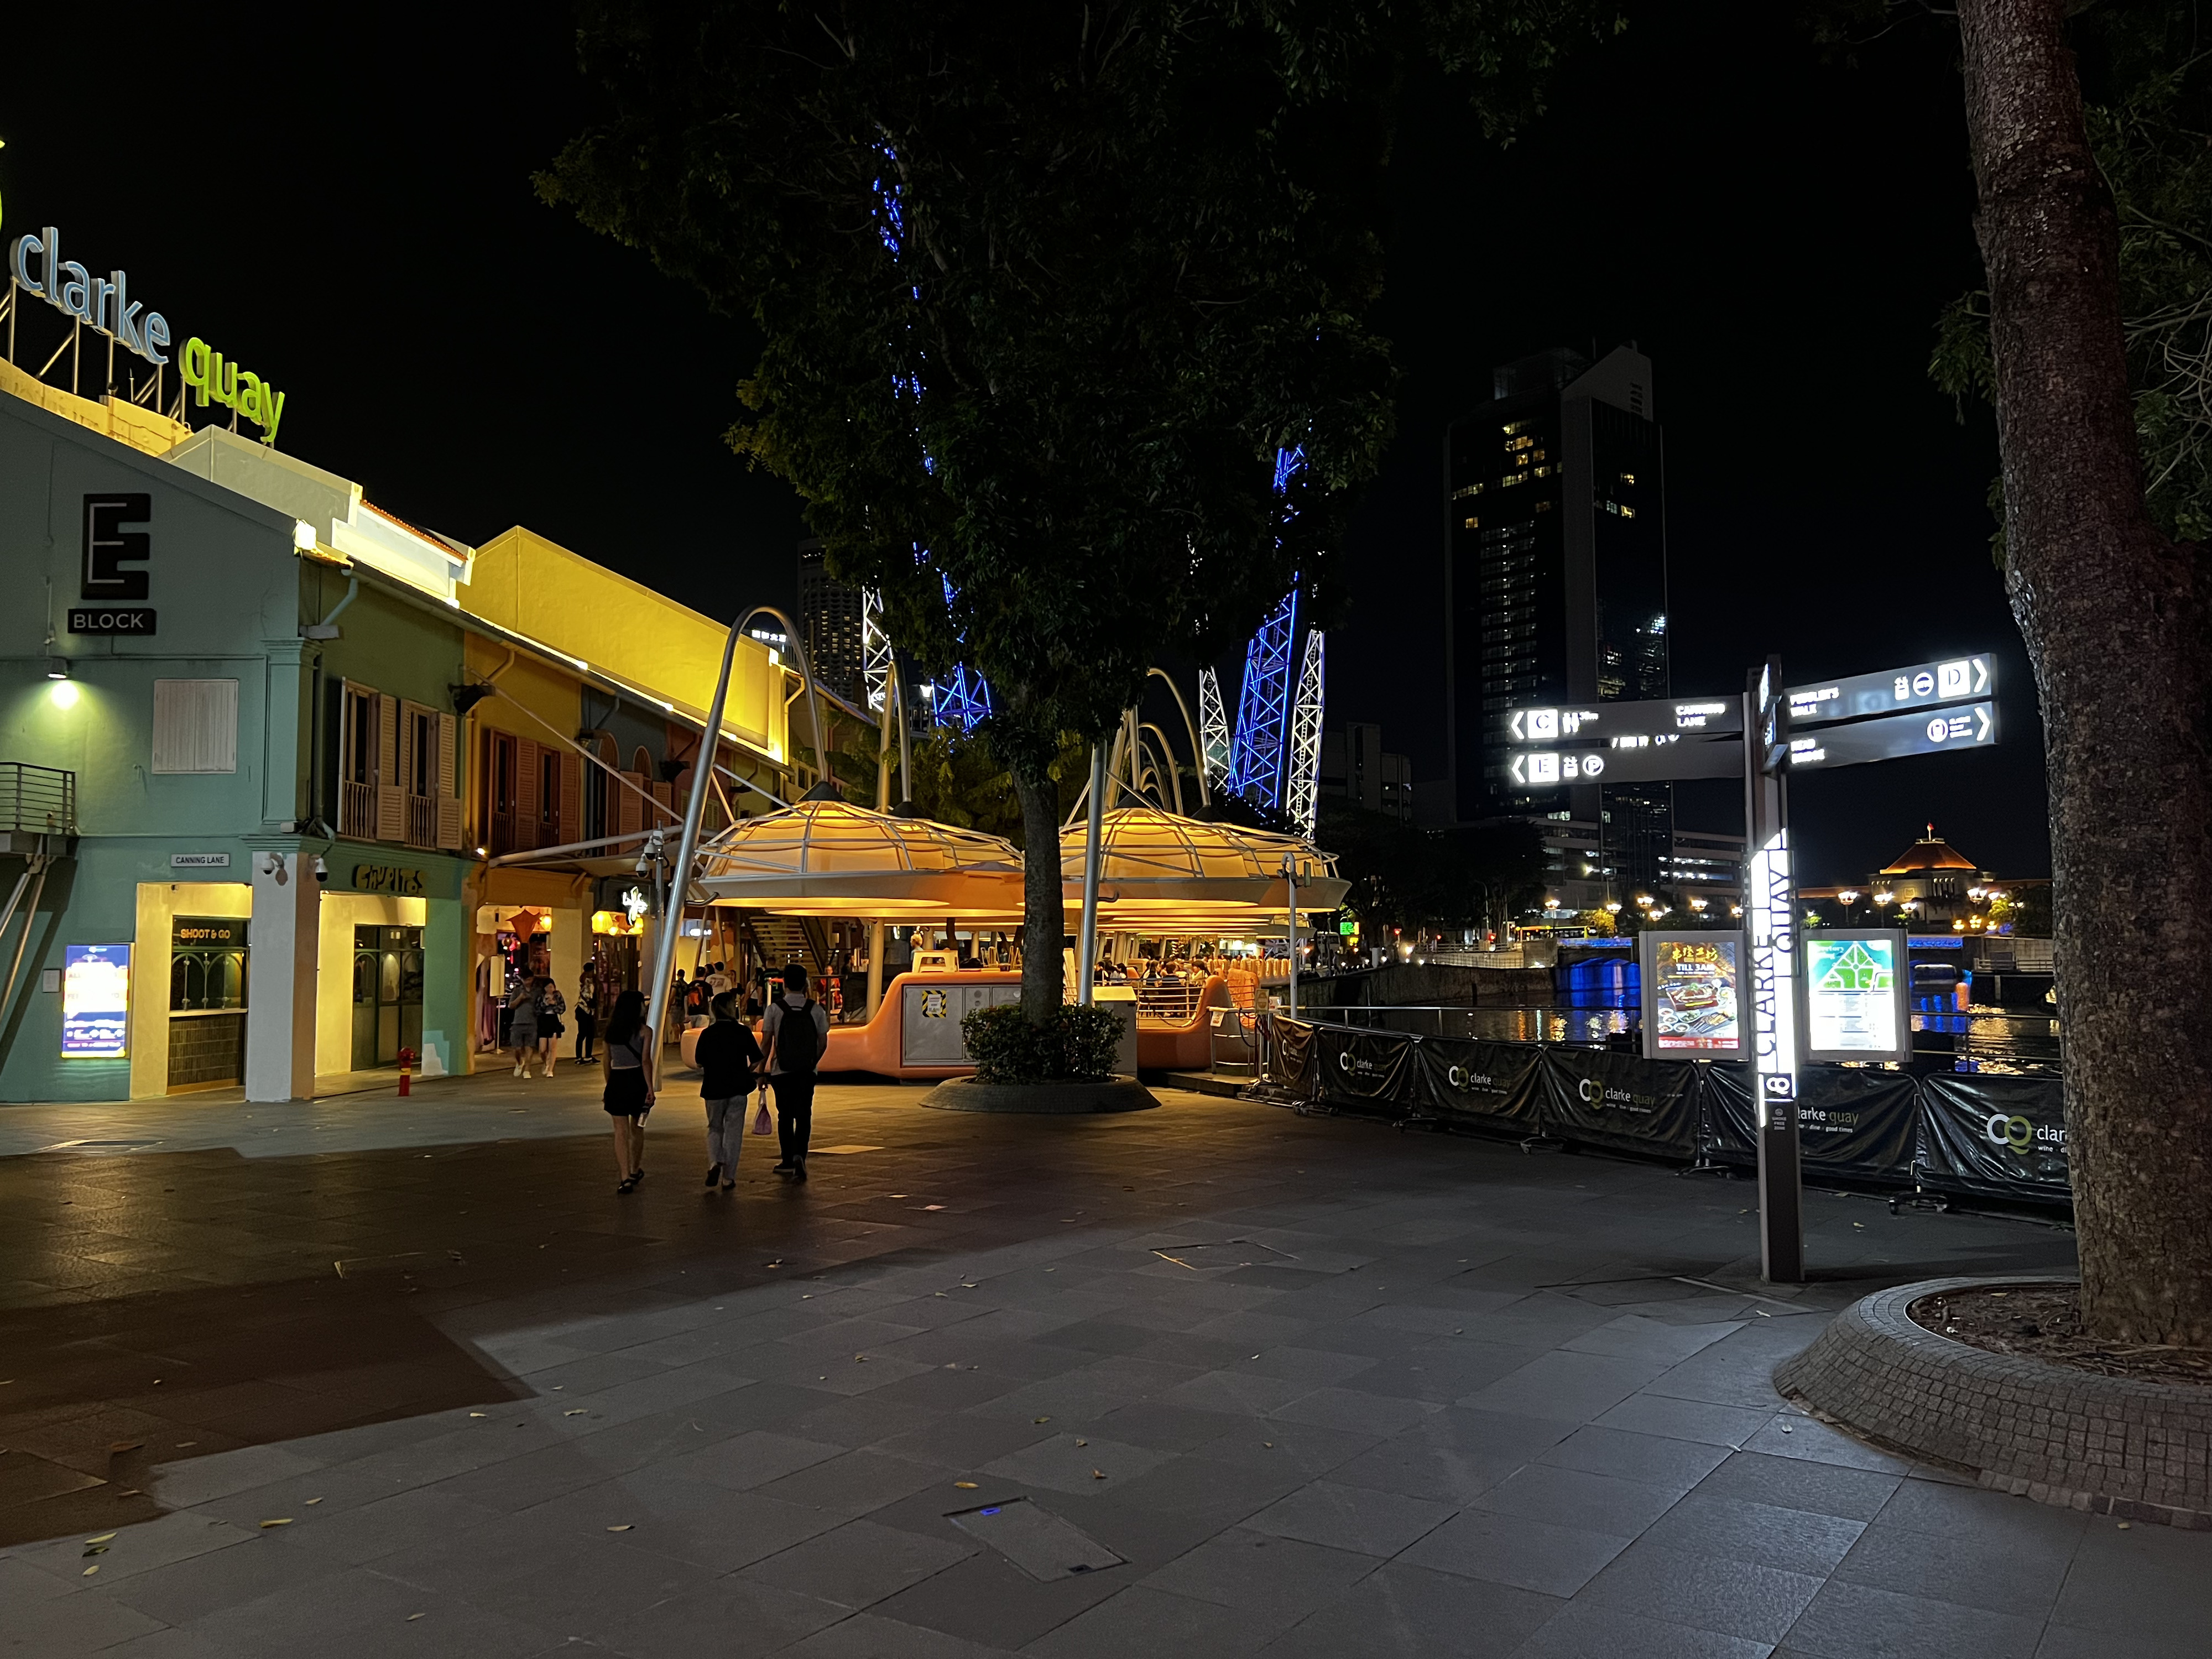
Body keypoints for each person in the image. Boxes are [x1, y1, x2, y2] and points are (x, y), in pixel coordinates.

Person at [760, 962, 828, 1181]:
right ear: (805, 984)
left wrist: (761, 1071)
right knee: (804, 1114)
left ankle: (787, 1160)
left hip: (782, 1071)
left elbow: (766, 1043)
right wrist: (812, 1062)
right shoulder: (816, 1009)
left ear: (785, 984)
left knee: (785, 1116)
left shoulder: (774, 1009)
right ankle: (801, 1156)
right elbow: (823, 1043)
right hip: (807, 1071)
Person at [695, 990, 762, 1192]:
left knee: (715, 1127)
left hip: (713, 1087)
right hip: (738, 1086)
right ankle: (728, 1178)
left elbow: (699, 1063)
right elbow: (757, 1058)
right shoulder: (743, 1032)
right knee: (733, 1132)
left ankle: (715, 1162)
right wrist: (747, 1071)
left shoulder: (708, 1034)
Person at [600, 988, 654, 1192]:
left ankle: (624, 1177)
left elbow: (607, 1060)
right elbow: (646, 1061)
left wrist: (609, 1084)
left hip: (617, 1080)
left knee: (620, 1131)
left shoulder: (610, 1031)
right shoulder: (645, 1031)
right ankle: (634, 1169)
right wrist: (650, 1088)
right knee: (637, 1128)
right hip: (637, 1079)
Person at [507, 977, 541, 1078]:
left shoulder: (537, 991)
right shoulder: (517, 991)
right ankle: (519, 1062)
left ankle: (527, 1070)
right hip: (518, 1022)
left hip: (532, 1022)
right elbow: (511, 1006)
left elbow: (541, 1004)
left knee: (529, 1046)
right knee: (517, 1048)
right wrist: (520, 998)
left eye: (529, 979)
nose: (527, 982)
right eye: (525, 980)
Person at [536, 977, 566, 1077]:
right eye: (548, 987)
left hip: (554, 1021)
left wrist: (554, 1004)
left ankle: (550, 1070)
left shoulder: (558, 995)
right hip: (543, 1021)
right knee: (542, 1049)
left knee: (552, 1048)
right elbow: (537, 1010)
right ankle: (546, 1063)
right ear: (544, 988)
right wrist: (545, 1004)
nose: (550, 989)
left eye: (552, 987)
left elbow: (562, 1008)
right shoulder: (541, 996)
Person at [574, 975, 598, 1061]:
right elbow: (589, 999)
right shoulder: (588, 985)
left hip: (587, 1011)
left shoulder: (586, 984)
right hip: (583, 1011)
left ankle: (586, 1056)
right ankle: (580, 1057)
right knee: (583, 1034)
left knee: (588, 1034)